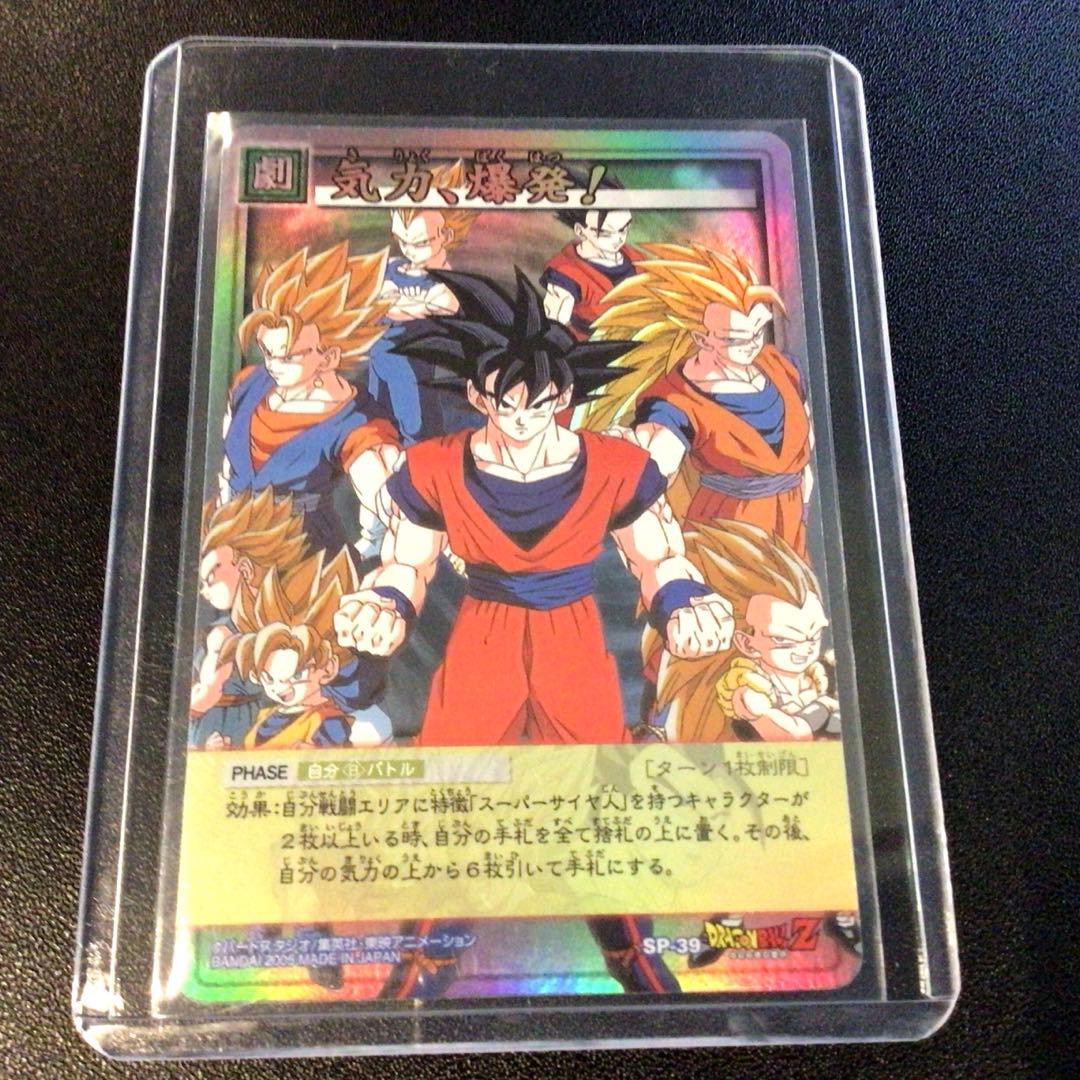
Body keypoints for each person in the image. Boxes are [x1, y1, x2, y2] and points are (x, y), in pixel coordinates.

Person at [335, 267, 735, 746]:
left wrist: (683, 601)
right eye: (505, 404)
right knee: (454, 762)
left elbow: (657, 559)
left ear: (562, 395)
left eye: (537, 404)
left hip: (572, 639)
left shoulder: (615, 465)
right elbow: (408, 564)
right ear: (477, 396)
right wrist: (387, 603)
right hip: (482, 639)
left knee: (594, 765)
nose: (521, 420)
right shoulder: (435, 467)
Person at [581, 243, 813, 557]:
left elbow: (805, 450)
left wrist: (803, 504)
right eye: (736, 338)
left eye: (759, 330)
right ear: (701, 338)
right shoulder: (676, 400)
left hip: (792, 535)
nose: (752, 344)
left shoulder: (782, 368)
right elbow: (656, 468)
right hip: (724, 542)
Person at [222, 242, 400, 563]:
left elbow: (383, 501)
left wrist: (374, 544)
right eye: (266, 351)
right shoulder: (248, 384)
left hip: (308, 558)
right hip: (235, 550)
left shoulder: (355, 422)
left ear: (328, 358)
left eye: (287, 357)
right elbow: (227, 465)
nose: (273, 365)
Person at [651, 521, 839, 743]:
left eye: (814, 635)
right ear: (747, 643)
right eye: (785, 640)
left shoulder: (814, 674)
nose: (805, 648)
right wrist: (824, 708)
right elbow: (794, 735)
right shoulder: (746, 687)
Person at [221, 548, 386, 749]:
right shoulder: (266, 717)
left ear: (328, 668)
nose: (280, 687)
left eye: (296, 675)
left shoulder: (328, 722)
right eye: (269, 678)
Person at [366, 160, 482, 442]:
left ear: (446, 236)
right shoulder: (393, 266)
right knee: (377, 420)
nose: (408, 250)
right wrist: (398, 303)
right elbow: (378, 301)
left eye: (418, 243)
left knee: (416, 429)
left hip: (413, 371)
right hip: (378, 361)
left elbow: (425, 306)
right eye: (401, 240)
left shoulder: (448, 284)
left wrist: (396, 302)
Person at [190, 489, 308, 748]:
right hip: (226, 725)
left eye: (210, 580)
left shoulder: (226, 635)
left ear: (244, 568)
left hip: (233, 723)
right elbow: (204, 695)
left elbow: (207, 694)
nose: (204, 591)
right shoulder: (231, 633)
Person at [540, 172, 642, 339]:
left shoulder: (636, 259)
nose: (619, 239)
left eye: (624, 229)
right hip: (591, 350)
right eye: (606, 233)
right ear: (581, 231)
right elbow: (554, 329)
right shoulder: (566, 274)